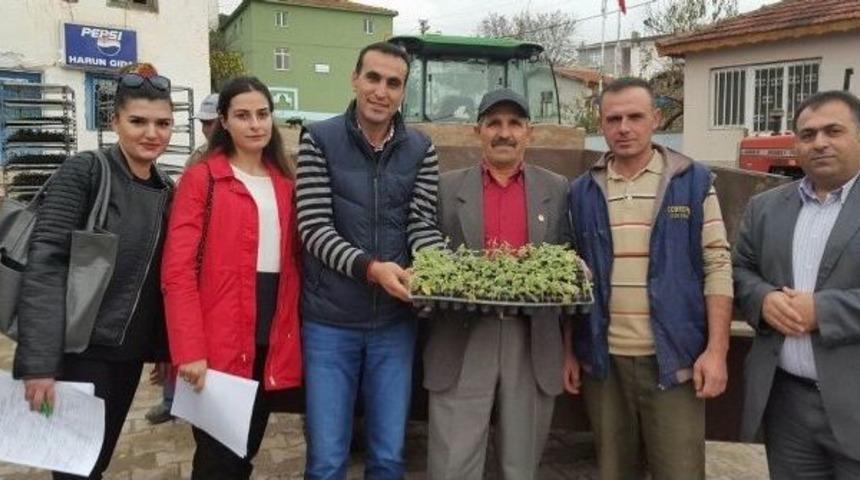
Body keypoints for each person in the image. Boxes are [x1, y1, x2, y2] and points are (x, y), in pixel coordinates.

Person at [565, 77, 733, 480]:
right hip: (603, 362)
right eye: (613, 118)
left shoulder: (692, 182)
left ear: (655, 119)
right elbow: (569, 279)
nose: (624, 127)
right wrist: (571, 350)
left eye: (635, 116)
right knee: (612, 471)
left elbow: (718, 265)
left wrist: (717, 351)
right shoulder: (581, 192)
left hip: (675, 361)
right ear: (601, 125)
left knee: (679, 471)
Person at [12, 63, 175, 480]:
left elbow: (159, 279)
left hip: (127, 357)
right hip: (76, 356)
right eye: (138, 121)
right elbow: (44, 263)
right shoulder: (85, 171)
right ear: (114, 120)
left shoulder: (165, 190)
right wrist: (39, 364)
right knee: (73, 468)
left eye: (162, 123)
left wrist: (164, 349)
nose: (151, 133)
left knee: (96, 460)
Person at [295, 41, 444, 479]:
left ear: (403, 91)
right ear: (355, 79)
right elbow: (314, 228)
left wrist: (430, 267)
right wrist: (372, 270)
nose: (381, 91)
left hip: (393, 326)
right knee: (326, 460)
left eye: (393, 83)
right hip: (330, 322)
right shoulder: (318, 139)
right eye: (373, 78)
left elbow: (422, 223)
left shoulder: (421, 148)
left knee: (388, 457)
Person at [160, 76, 302, 480]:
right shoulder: (202, 179)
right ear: (223, 120)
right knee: (218, 460)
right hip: (218, 345)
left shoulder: (285, 185)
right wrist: (188, 348)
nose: (255, 124)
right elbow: (178, 269)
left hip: (268, 342)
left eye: (262, 114)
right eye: (242, 115)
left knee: (245, 451)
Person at [423, 88, 569, 479]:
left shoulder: (557, 188)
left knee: (520, 465)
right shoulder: (446, 188)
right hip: (463, 334)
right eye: (494, 124)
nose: (504, 133)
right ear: (478, 131)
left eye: (514, 124)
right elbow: (427, 257)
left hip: (532, 336)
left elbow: (569, 260)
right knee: (453, 463)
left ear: (529, 133)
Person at [733, 90, 860, 478]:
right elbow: (740, 269)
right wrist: (763, 298)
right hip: (787, 406)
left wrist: (821, 310)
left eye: (833, 131)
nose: (819, 142)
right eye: (807, 134)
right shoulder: (766, 207)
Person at [144, 92, 220, 425]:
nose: (206, 129)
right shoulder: (199, 158)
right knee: (178, 339)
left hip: (219, 269)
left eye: (211, 123)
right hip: (192, 264)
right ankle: (173, 400)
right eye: (203, 123)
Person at [185, 93, 220, 167]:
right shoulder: (197, 157)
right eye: (203, 123)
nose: (204, 130)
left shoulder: (244, 155)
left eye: (209, 123)